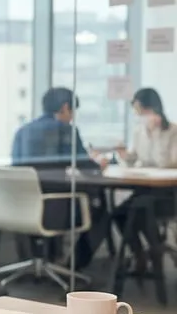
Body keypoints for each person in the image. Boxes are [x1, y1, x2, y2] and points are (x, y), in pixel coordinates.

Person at [10, 87, 106, 268]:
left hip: (19, 206)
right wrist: (100, 163)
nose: (72, 117)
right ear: (65, 107)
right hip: (53, 209)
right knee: (100, 209)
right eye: (73, 111)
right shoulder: (65, 130)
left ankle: (46, 260)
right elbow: (86, 166)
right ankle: (73, 266)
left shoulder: (22, 131)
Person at [113, 87, 177, 272]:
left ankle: (155, 255)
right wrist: (124, 154)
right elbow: (134, 158)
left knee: (140, 210)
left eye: (142, 110)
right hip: (145, 188)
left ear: (152, 108)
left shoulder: (172, 131)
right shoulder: (139, 131)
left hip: (168, 193)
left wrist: (156, 133)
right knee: (120, 214)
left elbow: (167, 162)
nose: (140, 115)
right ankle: (139, 254)